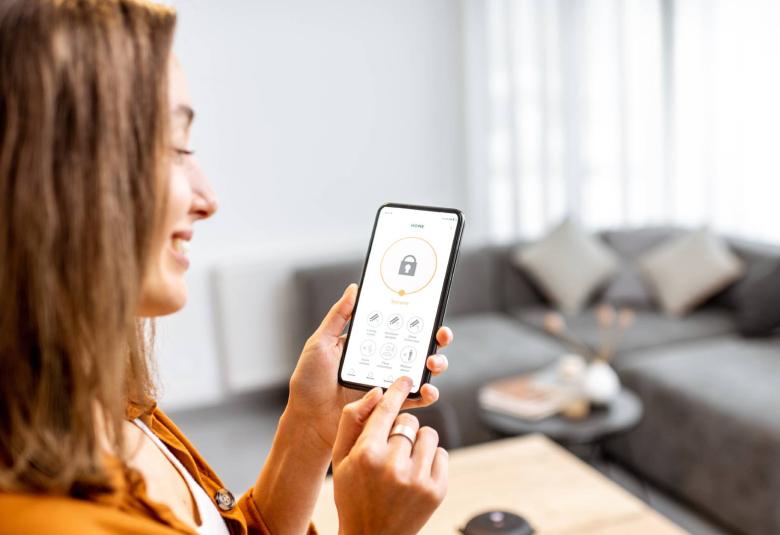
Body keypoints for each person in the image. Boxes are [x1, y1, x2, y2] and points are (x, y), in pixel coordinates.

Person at [0, 1, 453, 533]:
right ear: (52, 178)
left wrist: (310, 425)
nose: (208, 197)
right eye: (173, 148)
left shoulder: (106, 406)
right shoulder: (50, 521)